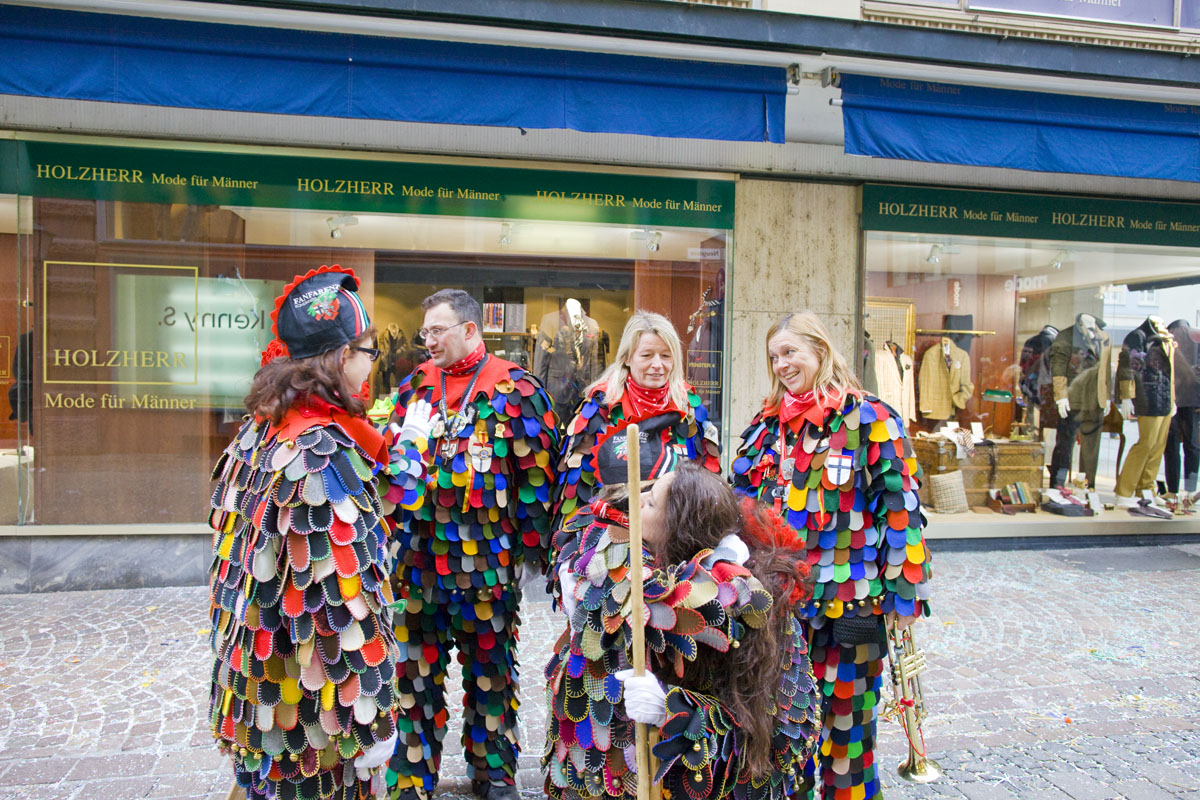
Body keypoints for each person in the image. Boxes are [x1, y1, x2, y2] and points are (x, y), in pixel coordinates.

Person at [206, 265, 401, 800]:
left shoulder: (260, 429)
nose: (369, 367)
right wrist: (369, 729)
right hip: (315, 714)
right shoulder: (319, 451)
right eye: (367, 353)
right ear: (342, 357)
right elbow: (336, 602)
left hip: (264, 692)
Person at [544, 430, 821, 800]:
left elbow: (785, 733)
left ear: (681, 526)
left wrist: (676, 712)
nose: (635, 502)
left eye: (652, 501)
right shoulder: (619, 558)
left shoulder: (752, 604)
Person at [730, 311, 932, 800]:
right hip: (777, 609)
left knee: (848, 740)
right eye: (774, 356)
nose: (781, 364)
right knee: (786, 734)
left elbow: (899, 509)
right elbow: (739, 504)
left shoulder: (870, 419)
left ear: (820, 350)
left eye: (791, 352)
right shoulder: (765, 426)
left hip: (852, 607)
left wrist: (904, 600)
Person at [381, 289, 560, 800]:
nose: (428, 340)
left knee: (491, 674)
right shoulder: (414, 387)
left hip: (487, 567)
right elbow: (391, 471)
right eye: (425, 332)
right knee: (414, 676)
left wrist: (535, 556)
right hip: (416, 565)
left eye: (438, 330)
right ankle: (413, 777)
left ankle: (494, 774)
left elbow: (536, 482)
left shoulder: (515, 389)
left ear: (469, 330)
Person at [550, 310, 720, 534]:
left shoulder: (690, 408)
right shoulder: (600, 408)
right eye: (647, 355)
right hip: (612, 536)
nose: (658, 365)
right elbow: (576, 493)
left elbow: (705, 485)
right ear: (628, 357)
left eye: (666, 356)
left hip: (674, 536)